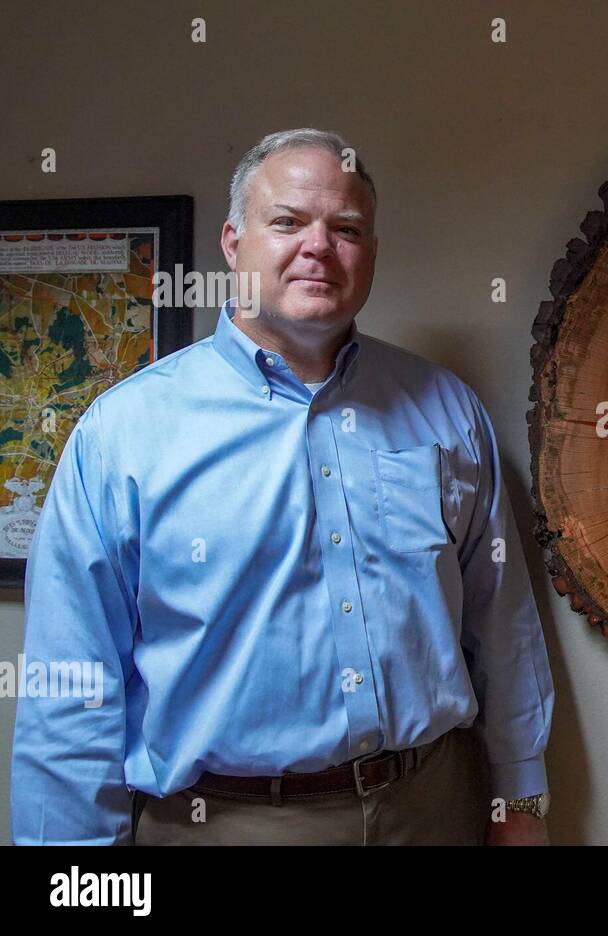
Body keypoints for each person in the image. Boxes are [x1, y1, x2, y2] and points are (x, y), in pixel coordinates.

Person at [10, 128, 555, 845]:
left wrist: (518, 805)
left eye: (347, 228)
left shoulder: (448, 411)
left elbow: (502, 625)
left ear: (371, 254)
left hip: (435, 809)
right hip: (222, 822)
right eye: (289, 221)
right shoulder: (124, 434)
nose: (320, 246)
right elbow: (71, 688)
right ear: (234, 244)